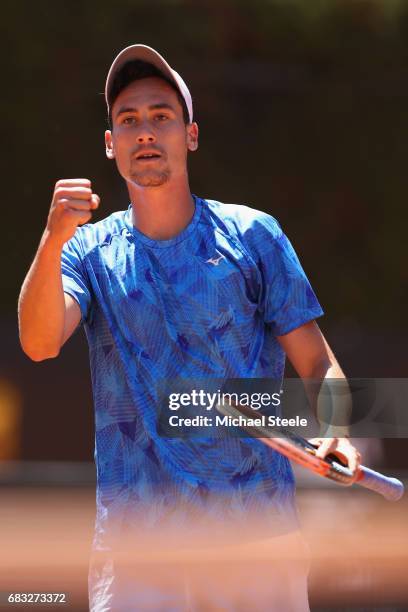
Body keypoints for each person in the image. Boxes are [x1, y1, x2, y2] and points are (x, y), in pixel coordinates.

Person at [18, 44, 361, 611]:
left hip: (259, 547)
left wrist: (338, 428)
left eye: (161, 117)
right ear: (111, 144)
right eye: (128, 120)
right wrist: (52, 238)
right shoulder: (84, 251)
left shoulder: (254, 236)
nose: (145, 131)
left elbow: (317, 363)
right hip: (137, 558)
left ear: (191, 134)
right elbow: (37, 343)